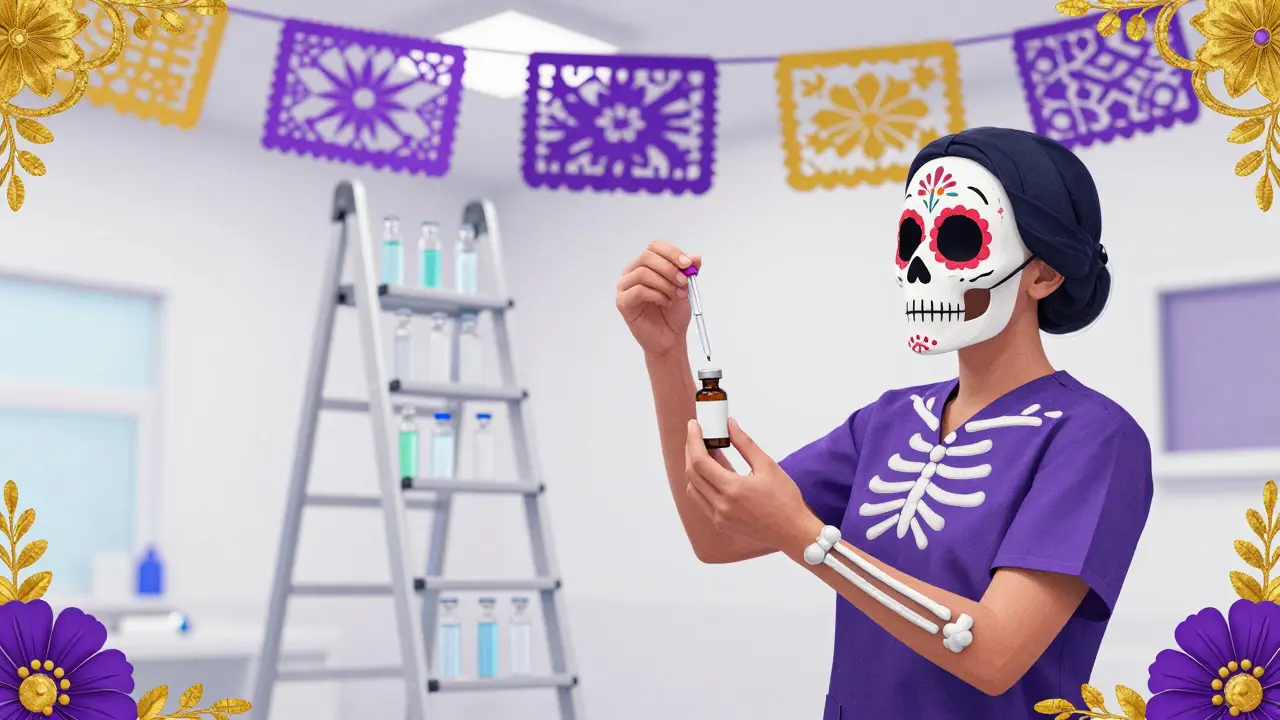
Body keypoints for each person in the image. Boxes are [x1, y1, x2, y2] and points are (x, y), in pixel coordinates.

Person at [614, 127, 1153, 719]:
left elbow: (995, 654)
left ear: (1044, 274)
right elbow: (717, 535)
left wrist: (807, 538)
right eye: (910, 238)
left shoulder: (1094, 437)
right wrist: (666, 356)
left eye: (958, 238)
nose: (920, 268)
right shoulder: (889, 421)